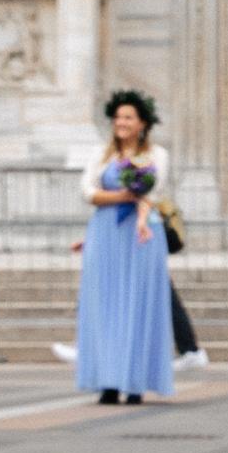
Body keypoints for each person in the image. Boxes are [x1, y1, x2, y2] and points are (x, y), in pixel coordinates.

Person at [75, 88, 176, 406]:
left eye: (128, 117)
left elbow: (153, 193)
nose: (121, 122)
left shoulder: (157, 155)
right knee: (103, 304)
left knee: (137, 304)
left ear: (142, 123)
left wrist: (142, 216)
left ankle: (134, 381)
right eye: (118, 117)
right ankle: (107, 379)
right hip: (105, 232)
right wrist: (121, 197)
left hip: (140, 233)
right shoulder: (100, 155)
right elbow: (87, 191)